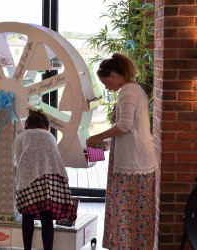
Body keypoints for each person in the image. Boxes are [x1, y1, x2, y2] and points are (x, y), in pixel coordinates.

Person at [87, 52, 158, 249]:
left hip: (133, 163)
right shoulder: (135, 90)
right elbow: (130, 128)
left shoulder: (127, 91)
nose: (106, 87)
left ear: (114, 76)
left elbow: (125, 125)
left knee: (128, 211)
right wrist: (105, 142)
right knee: (136, 213)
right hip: (138, 159)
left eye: (105, 82)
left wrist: (99, 136)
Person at [14, 109, 77, 250]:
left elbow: (19, 160)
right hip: (51, 179)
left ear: (27, 125)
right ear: (45, 125)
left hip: (28, 179)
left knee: (27, 216)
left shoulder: (21, 136)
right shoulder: (49, 136)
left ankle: (27, 249)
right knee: (46, 217)